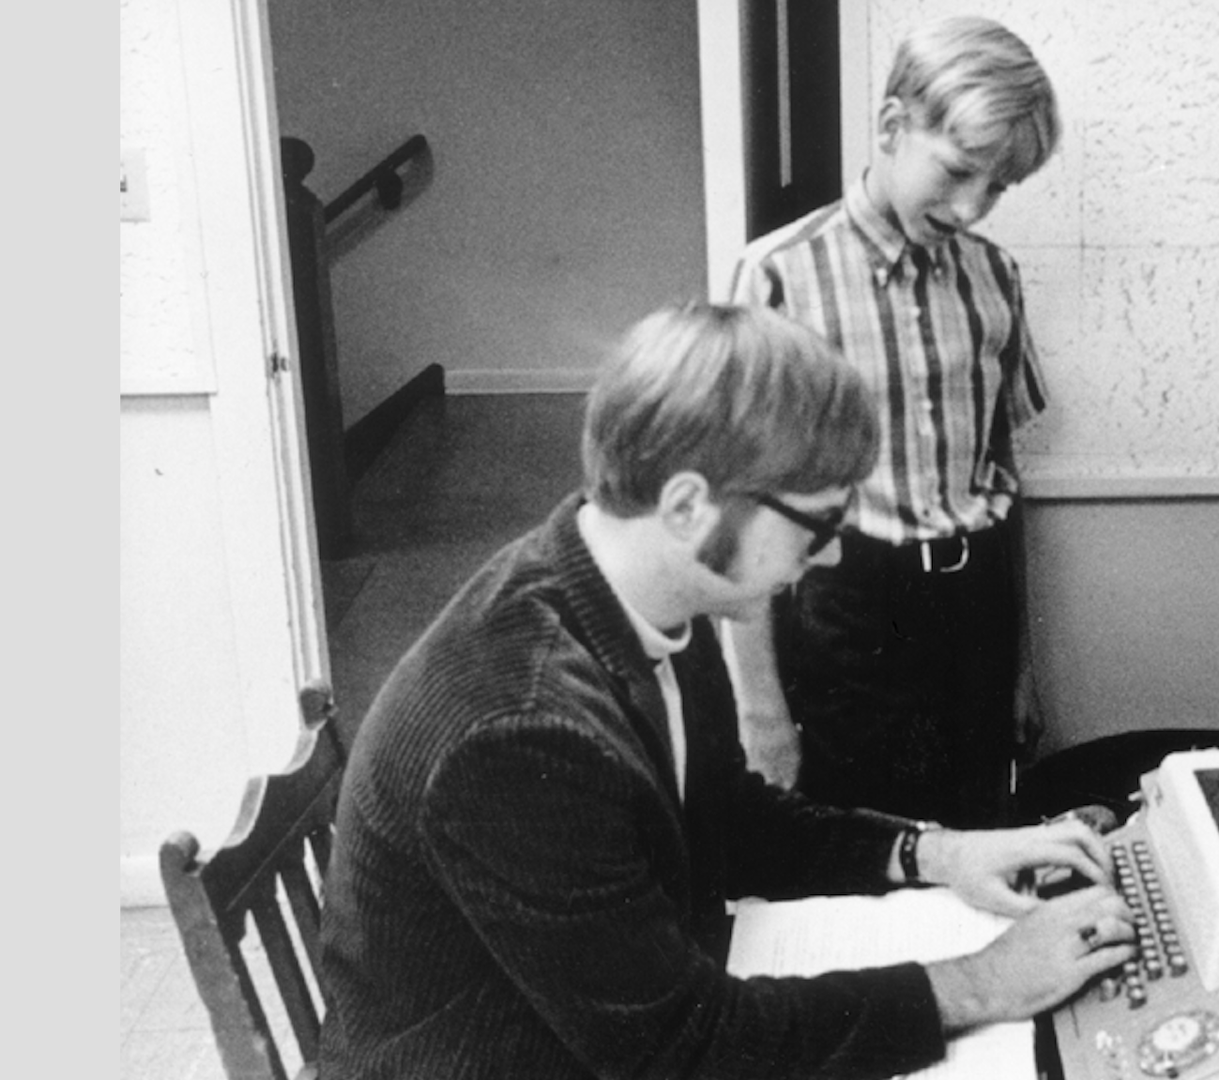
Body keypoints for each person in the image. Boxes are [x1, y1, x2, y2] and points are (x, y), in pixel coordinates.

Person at [315, 303, 1135, 1080]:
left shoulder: (638, 589)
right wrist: (982, 984)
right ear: (686, 506)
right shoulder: (520, 725)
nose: (831, 559)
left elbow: (723, 816)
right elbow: (680, 1051)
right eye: (816, 525)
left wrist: (939, 853)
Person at [726, 15, 1059, 828]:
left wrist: (1019, 666)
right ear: (890, 127)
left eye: (1000, 188)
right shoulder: (778, 278)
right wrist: (761, 711)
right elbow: (738, 510)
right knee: (868, 852)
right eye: (958, 171)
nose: (973, 206)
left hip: (974, 610)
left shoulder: (993, 277)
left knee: (982, 840)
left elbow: (1001, 472)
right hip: (847, 613)